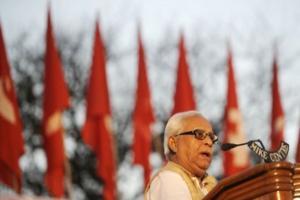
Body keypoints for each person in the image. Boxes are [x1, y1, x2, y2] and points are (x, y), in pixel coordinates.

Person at [145, 110, 218, 200]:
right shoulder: (169, 179)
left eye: (211, 137)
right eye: (199, 134)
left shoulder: (209, 185)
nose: (209, 142)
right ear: (174, 144)